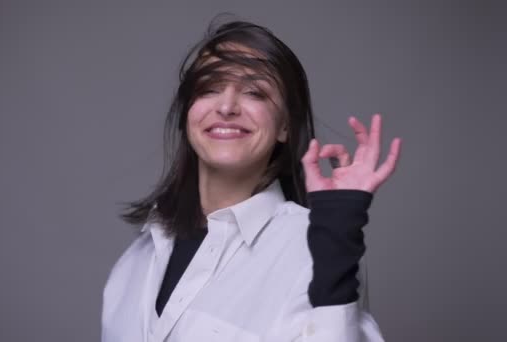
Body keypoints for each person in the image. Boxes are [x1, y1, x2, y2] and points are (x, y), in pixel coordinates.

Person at [101, 19, 401, 342]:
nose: (227, 106)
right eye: (209, 88)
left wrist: (338, 238)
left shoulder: (318, 249)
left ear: (285, 127)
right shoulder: (135, 260)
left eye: (255, 92)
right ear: (188, 112)